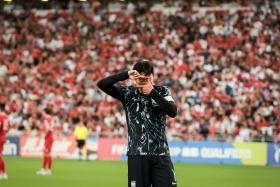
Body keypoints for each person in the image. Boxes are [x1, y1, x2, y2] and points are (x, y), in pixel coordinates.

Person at [97, 59, 178, 187]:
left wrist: (152, 93)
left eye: (146, 77)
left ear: (152, 76)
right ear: (135, 78)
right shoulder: (127, 93)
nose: (143, 80)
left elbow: (173, 112)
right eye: (140, 77)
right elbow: (102, 84)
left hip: (161, 153)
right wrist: (125, 74)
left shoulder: (163, 91)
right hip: (137, 154)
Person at [37, 109, 54, 176]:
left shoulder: (46, 118)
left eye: (43, 112)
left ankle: (45, 170)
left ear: (45, 112)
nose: (42, 113)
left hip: (48, 137)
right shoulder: (50, 118)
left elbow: (48, 128)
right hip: (50, 137)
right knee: (47, 153)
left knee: (46, 153)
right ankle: (46, 169)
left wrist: (45, 135)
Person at [0, 108, 8, 180]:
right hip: (3, 136)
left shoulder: (0, 116)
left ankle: (3, 172)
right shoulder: (6, 116)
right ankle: (3, 173)